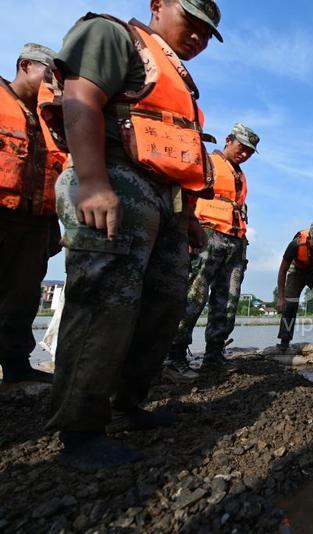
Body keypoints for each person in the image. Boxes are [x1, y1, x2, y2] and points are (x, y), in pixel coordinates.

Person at [47, 0, 223, 471]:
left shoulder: (181, 81)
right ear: (159, 5)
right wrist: (93, 181)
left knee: (161, 306)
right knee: (105, 302)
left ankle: (127, 404)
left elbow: (180, 158)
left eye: (208, 34)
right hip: (114, 182)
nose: (199, 38)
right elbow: (80, 98)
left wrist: (186, 219)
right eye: (193, 24)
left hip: (164, 204)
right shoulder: (113, 35)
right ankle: (80, 428)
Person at [165, 122, 259, 381]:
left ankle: (214, 356)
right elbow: (182, 194)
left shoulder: (239, 174)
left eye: (250, 151)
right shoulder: (206, 162)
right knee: (194, 297)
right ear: (229, 140)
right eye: (242, 147)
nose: (245, 154)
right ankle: (174, 356)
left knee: (227, 301)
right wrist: (183, 229)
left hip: (235, 241)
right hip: (206, 235)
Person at [0, 43, 66, 384]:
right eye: (50, 74)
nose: (56, 83)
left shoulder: (51, 119)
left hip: (37, 222)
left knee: (24, 297)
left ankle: (16, 366)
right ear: (26, 65)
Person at [276, 220, 313, 351]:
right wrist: (281, 298)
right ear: (310, 237)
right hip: (297, 270)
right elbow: (283, 270)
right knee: (290, 303)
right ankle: (284, 341)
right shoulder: (295, 245)